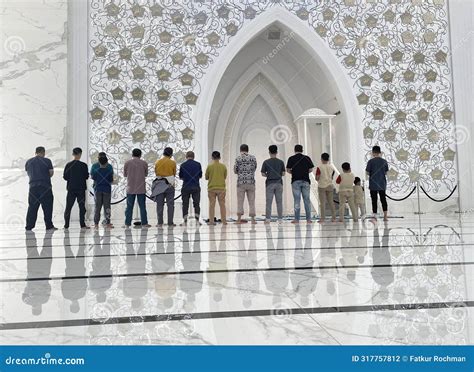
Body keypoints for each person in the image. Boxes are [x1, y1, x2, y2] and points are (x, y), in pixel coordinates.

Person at [24, 146, 57, 231]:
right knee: (47, 206)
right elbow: (51, 173)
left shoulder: (29, 161)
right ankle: (49, 226)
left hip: (33, 187)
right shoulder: (47, 161)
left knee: (32, 207)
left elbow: (28, 173)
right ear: (43, 152)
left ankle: (29, 226)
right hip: (45, 186)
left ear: (35, 152)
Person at [286, 144, 314, 224]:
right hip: (305, 181)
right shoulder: (307, 158)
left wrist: (294, 173)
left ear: (295, 150)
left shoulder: (291, 158)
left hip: (295, 181)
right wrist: (304, 172)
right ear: (302, 150)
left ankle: (296, 219)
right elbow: (311, 169)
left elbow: (288, 170)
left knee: (297, 200)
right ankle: (308, 220)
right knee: (307, 200)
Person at [63, 147, 90, 229]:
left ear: (73, 154)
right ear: (80, 154)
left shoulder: (68, 165)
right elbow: (86, 176)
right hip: (81, 189)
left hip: (71, 189)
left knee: (68, 207)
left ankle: (66, 225)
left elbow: (65, 177)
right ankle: (82, 224)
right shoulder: (83, 165)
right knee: (82, 207)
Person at [124, 148, 150, 228]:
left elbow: (125, 175)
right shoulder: (144, 163)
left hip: (130, 188)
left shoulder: (127, 163)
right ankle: (144, 223)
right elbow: (146, 174)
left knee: (129, 207)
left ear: (132, 154)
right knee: (142, 206)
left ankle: (127, 223)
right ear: (140, 155)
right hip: (141, 188)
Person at [261, 145, 285, 223]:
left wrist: (269, 175)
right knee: (279, 202)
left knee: (269, 202)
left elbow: (263, 173)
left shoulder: (266, 162)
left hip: (270, 183)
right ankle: (280, 219)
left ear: (269, 152)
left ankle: (268, 219)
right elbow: (283, 173)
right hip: (279, 183)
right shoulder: (281, 162)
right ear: (277, 152)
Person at [233, 144, 257, 224]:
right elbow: (254, 168)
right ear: (248, 150)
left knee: (240, 201)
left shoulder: (238, 158)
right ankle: (253, 220)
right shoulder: (253, 158)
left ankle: (239, 219)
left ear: (240, 150)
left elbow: (235, 170)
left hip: (241, 182)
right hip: (251, 182)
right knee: (252, 201)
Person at [154, 147, 177, 227]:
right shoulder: (173, 163)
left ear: (163, 153)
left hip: (159, 184)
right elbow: (174, 174)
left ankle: (160, 223)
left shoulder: (157, 162)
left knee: (159, 204)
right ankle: (170, 222)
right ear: (171, 154)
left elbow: (156, 173)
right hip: (170, 185)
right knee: (170, 204)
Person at [365, 145, 389, 221]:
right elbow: (386, 173)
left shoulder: (370, 162)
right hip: (382, 183)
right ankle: (385, 216)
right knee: (383, 199)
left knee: (374, 200)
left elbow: (368, 172)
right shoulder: (384, 161)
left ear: (373, 153)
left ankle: (374, 217)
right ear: (380, 152)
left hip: (373, 184)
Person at [179, 151, 202, 225]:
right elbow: (200, 175)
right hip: (196, 186)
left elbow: (181, 177)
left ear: (186, 156)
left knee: (185, 204)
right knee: (197, 204)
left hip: (186, 186)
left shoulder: (183, 165)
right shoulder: (198, 164)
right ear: (193, 156)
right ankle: (197, 220)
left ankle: (185, 221)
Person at [91, 154, 114, 228]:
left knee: (97, 207)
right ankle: (107, 223)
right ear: (107, 162)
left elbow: (93, 178)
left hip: (98, 190)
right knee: (107, 207)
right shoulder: (109, 170)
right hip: (107, 190)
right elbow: (111, 180)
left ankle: (96, 224)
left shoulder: (96, 170)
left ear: (99, 162)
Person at [205, 151, 227, 226]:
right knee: (222, 205)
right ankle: (224, 221)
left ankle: (211, 221)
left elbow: (206, 177)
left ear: (212, 157)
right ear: (219, 157)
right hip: (221, 188)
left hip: (211, 188)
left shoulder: (209, 166)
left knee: (212, 205)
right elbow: (225, 176)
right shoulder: (223, 166)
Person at [315, 153, 336, 223]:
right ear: (328, 159)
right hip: (330, 185)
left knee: (322, 203)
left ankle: (322, 218)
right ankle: (334, 217)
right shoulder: (332, 167)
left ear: (321, 159)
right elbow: (332, 176)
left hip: (321, 186)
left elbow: (317, 178)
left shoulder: (319, 167)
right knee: (331, 202)